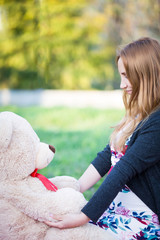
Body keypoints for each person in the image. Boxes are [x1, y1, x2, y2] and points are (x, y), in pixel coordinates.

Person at [45, 37, 160, 239]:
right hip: (117, 212)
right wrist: (75, 189)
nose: (122, 84)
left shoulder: (157, 122)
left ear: (145, 74)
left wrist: (83, 216)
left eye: (126, 76)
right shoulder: (138, 114)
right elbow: (108, 155)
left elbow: (125, 168)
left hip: (141, 221)